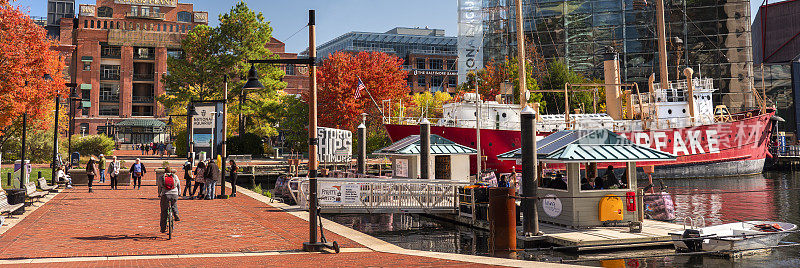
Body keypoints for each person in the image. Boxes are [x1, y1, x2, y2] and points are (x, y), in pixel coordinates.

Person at [158, 167, 180, 233]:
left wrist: (159, 194)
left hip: (165, 194)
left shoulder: (161, 177)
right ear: (171, 171)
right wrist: (179, 193)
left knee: (164, 211)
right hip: (174, 194)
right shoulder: (175, 176)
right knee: (174, 204)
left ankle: (163, 228)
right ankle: (176, 214)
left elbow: (160, 187)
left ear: (164, 171)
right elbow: (178, 185)